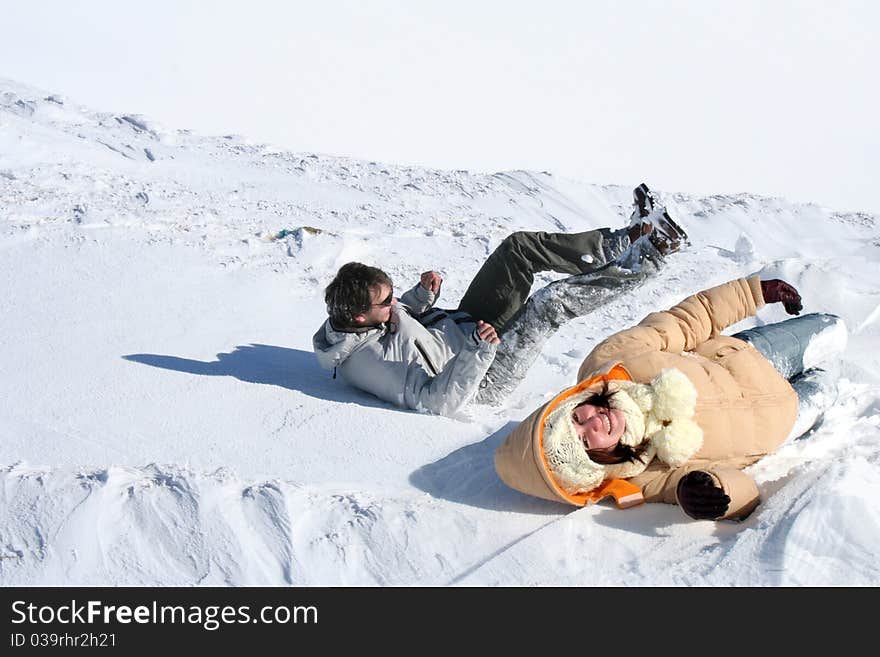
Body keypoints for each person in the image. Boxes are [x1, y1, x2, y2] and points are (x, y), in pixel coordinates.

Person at [494, 275, 847, 521]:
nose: (592, 423)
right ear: (594, 464)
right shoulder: (638, 477)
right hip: (785, 419)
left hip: (752, 356)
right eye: (586, 442)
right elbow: (730, 490)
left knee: (836, 329)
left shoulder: (610, 362)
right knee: (833, 378)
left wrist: (752, 292)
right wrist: (707, 495)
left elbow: (684, 322)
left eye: (575, 419)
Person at [313, 184, 689, 416]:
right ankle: (651, 254)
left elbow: (400, 322)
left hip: (466, 326)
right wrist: (479, 351)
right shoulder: (370, 365)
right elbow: (436, 402)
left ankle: (626, 239)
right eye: (388, 301)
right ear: (361, 318)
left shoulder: (364, 319)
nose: (394, 304)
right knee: (550, 304)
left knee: (517, 250)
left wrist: (421, 296)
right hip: (484, 375)